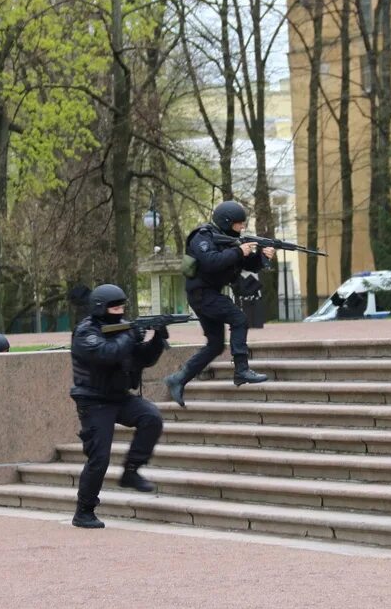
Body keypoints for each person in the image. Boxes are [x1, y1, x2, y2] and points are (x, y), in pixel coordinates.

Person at [69, 283, 167, 529]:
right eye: (114, 307)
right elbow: (106, 353)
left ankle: (131, 471)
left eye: (122, 305)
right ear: (100, 308)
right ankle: (84, 510)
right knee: (99, 457)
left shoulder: (123, 329)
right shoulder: (86, 332)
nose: (119, 310)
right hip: (93, 400)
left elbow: (142, 359)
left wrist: (157, 339)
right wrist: (131, 334)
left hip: (119, 397)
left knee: (151, 417)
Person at [163, 200, 275, 407]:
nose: (242, 228)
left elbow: (243, 262)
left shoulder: (230, 240)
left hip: (208, 294)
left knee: (215, 345)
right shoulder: (202, 237)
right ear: (226, 222)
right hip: (201, 294)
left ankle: (178, 379)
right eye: (238, 224)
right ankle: (241, 370)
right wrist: (240, 251)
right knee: (239, 320)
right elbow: (211, 262)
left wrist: (261, 256)